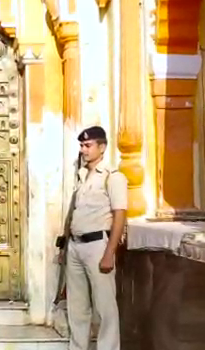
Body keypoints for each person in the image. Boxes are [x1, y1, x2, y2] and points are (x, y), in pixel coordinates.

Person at [60, 125, 127, 350]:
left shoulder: (113, 177)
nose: (83, 150)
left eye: (88, 145)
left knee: (105, 307)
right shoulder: (81, 176)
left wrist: (110, 253)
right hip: (76, 247)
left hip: (98, 245)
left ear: (102, 147)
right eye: (81, 145)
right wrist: (64, 248)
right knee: (77, 307)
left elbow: (120, 215)